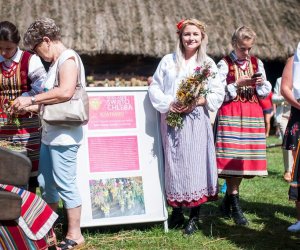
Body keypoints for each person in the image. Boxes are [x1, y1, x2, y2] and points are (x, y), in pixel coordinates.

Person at [11, 17, 85, 249]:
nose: (38, 55)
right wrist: (26, 106)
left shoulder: (68, 59)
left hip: (65, 135)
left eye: (37, 50)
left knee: (65, 183)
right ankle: (48, 230)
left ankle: (75, 235)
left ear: (46, 40)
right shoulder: (54, 64)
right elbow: (50, 102)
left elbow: (64, 92)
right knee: (46, 182)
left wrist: (31, 98)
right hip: (50, 133)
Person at [148, 18, 225, 235]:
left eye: (195, 35)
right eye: (187, 34)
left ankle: (194, 215)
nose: (191, 38)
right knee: (173, 164)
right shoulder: (167, 61)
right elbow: (155, 87)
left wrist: (197, 101)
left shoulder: (208, 64)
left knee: (194, 165)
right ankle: (176, 211)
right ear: (180, 37)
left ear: (202, 38)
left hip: (195, 121)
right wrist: (169, 103)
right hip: (171, 119)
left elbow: (217, 92)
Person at [215, 26, 271, 226]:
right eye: (242, 48)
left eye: (249, 48)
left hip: (251, 114)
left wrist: (260, 83)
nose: (246, 53)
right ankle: (236, 207)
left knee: (242, 160)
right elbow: (217, 93)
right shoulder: (224, 64)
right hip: (230, 115)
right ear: (234, 44)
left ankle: (227, 203)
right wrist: (236, 85)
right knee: (231, 159)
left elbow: (264, 92)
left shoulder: (257, 63)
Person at [0, 21, 46, 192]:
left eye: (8, 48)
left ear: (17, 44)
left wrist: (25, 99)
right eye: (0, 49)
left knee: (29, 171)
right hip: (2, 126)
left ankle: (29, 213)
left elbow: (43, 88)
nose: (4, 53)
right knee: (5, 171)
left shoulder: (30, 60)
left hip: (28, 128)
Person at [281, 42, 300, 232]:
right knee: (299, 169)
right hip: (299, 117)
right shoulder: (293, 60)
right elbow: (285, 89)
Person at [272, 77, 293, 181]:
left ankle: (295, 170)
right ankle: (288, 171)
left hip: (296, 116)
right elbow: (273, 99)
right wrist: (286, 97)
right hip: (283, 117)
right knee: (288, 142)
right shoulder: (280, 80)